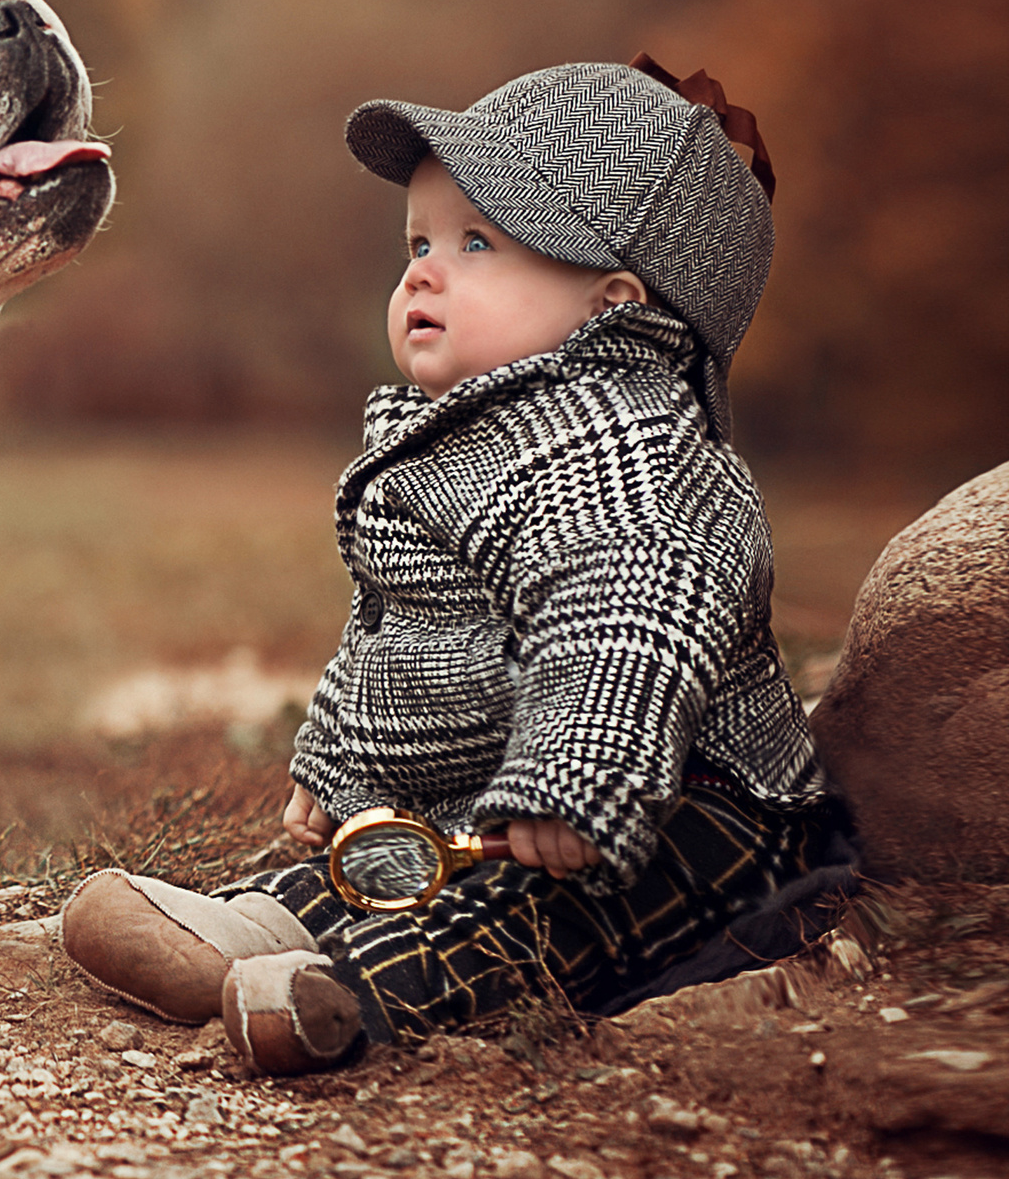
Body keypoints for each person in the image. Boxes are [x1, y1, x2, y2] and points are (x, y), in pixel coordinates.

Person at [59, 57, 852, 1075]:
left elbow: (629, 622)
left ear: (615, 304)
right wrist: (338, 769)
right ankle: (266, 923)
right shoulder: (456, 443)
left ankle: (351, 995)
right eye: (419, 242)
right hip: (489, 795)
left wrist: (573, 778)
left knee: (528, 913)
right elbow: (395, 627)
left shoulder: (631, 450)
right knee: (397, 860)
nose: (422, 272)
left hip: (684, 811)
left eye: (476, 244)